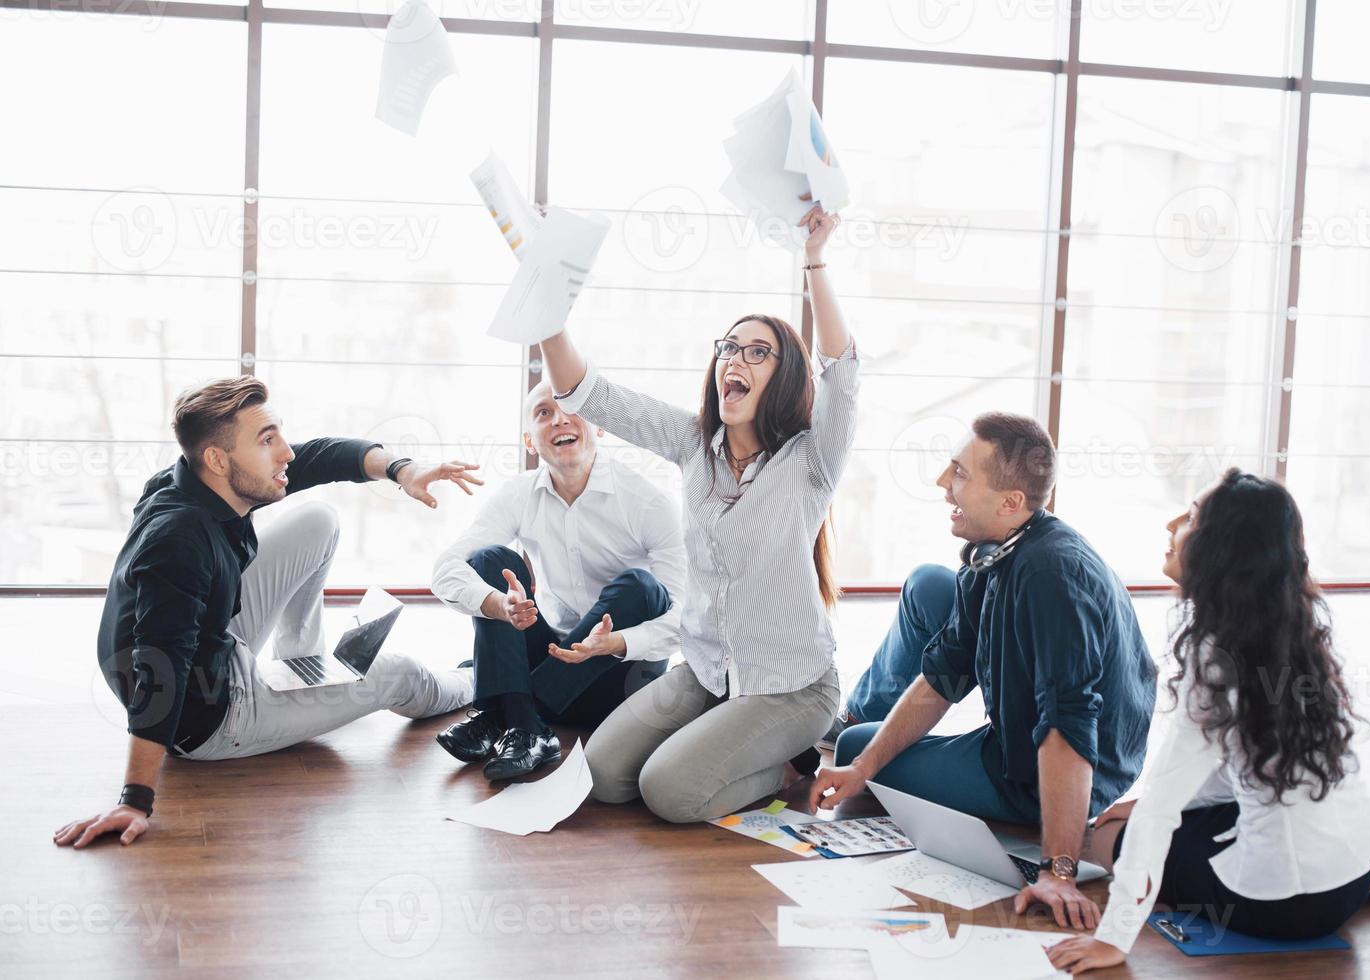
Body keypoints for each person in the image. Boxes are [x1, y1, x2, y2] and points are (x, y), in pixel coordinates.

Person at [55, 377, 480, 849]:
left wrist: (402, 469)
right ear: (218, 458)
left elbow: (322, 454)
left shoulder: (197, 478)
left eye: (278, 434)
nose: (287, 454)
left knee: (319, 520)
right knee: (400, 674)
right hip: (212, 713)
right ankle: (483, 676)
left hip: (211, 645)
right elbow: (161, 670)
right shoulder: (179, 540)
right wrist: (135, 799)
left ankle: (305, 663)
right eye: (267, 441)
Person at [537, 202, 853, 824]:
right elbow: (588, 392)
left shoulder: (810, 461)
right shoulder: (691, 444)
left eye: (757, 352)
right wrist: (546, 310)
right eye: (729, 348)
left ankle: (789, 761)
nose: (735, 359)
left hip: (791, 687)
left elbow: (843, 373)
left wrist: (815, 258)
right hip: (710, 671)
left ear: (785, 378)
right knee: (601, 775)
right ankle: (725, 736)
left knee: (670, 792)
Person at [808, 412, 1157, 930]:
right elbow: (943, 676)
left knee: (859, 746)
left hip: (1059, 769)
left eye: (961, 474)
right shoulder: (992, 551)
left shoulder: (1050, 576)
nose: (942, 483)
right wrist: (862, 771)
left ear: (1010, 502)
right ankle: (864, 734)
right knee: (862, 754)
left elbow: (1069, 727)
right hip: (1029, 730)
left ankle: (874, 743)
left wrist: (1059, 871)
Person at [1047, 470, 1370, 973]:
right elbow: (1253, 760)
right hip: (1357, 874)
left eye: (1193, 517)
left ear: (1223, 550)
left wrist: (1114, 939)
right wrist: (1161, 800)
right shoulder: (1297, 626)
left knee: (1110, 837)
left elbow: (1158, 817)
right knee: (1152, 812)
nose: (1173, 523)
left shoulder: (1217, 659)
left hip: (1288, 907)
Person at [430, 382, 686, 780]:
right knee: (489, 561)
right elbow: (447, 567)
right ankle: (527, 727)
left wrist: (617, 642)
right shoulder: (518, 494)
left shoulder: (649, 503)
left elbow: (685, 617)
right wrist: (497, 604)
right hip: (550, 657)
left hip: (615, 678)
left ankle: (507, 713)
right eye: (544, 413)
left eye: (571, 407)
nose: (560, 419)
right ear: (529, 441)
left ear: (599, 425)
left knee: (641, 587)